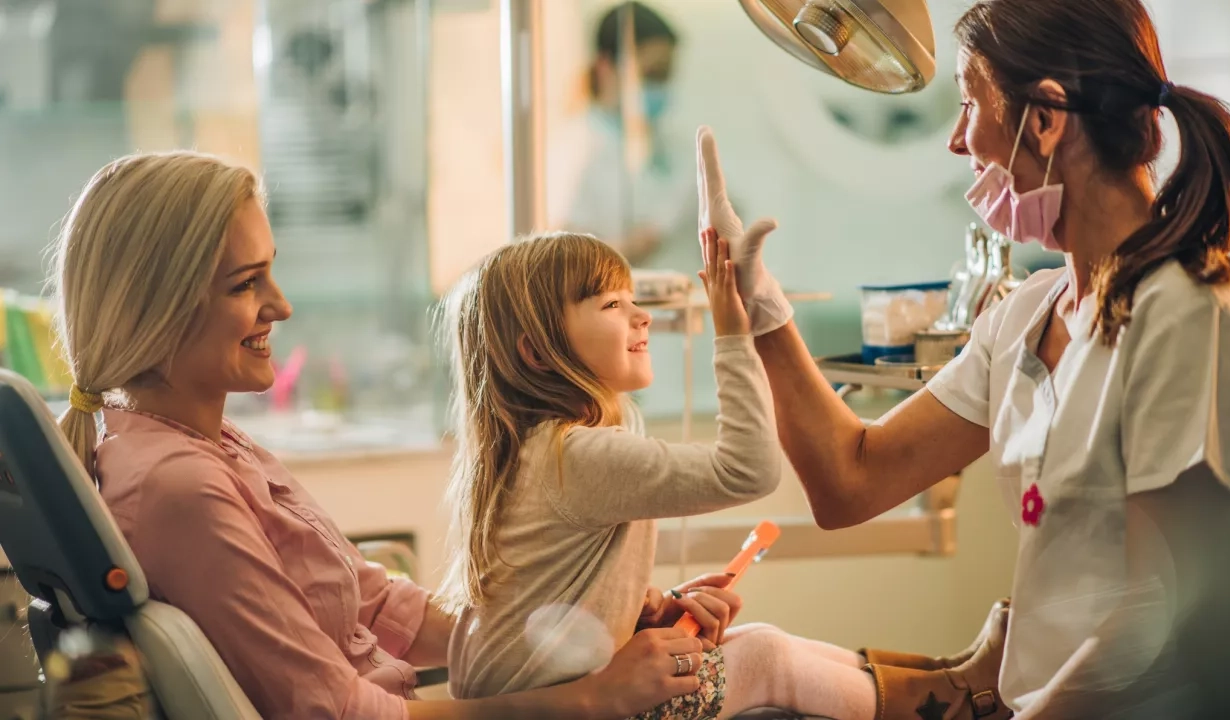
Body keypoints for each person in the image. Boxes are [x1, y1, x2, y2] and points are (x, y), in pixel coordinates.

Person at [695, 0, 1230, 717]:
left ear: (1045, 119)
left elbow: (1149, 615)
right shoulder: (1028, 317)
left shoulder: (1190, 312)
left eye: (969, 103)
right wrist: (759, 305)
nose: (955, 142)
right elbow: (851, 481)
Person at [50, 151, 709, 720]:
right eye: (247, 284)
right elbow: (338, 713)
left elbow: (375, 604)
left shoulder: (205, 444)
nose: (281, 306)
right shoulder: (181, 489)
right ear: (157, 305)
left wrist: (595, 628)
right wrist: (590, 699)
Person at [439, 231, 879, 719]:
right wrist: (733, 335)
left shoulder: (533, 452)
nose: (641, 315)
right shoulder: (576, 454)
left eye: (634, 299)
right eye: (611, 305)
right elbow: (747, 470)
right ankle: (940, 699)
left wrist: (645, 609)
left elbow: (549, 604)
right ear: (538, 354)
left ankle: (933, 684)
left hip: (536, 701)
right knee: (764, 659)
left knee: (760, 639)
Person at [547, 1, 696, 266]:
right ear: (606, 67)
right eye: (651, 74)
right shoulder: (572, 148)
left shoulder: (674, 147)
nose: (660, 87)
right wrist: (649, 237)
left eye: (666, 75)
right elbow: (563, 258)